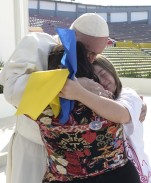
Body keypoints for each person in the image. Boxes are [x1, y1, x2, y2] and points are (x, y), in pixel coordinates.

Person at [0, 13, 146, 183]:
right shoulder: (37, 43)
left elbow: (106, 85)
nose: (91, 59)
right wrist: (70, 84)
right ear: (72, 35)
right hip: (35, 150)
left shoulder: (87, 59)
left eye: (96, 55)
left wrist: (135, 103)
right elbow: (12, 89)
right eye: (89, 51)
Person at [37, 41, 140, 183]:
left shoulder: (39, 106)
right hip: (118, 176)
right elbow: (123, 113)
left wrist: (66, 85)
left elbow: (15, 89)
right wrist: (80, 89)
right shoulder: (103, 99)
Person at [92, 55, 151, 183]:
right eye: (95, 80)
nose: (102, 81)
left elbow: (121, 114)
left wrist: (76, 91)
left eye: (103, 73)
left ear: (111, 70)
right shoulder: (94, 106)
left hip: (137, 170)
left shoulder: (128, 94)